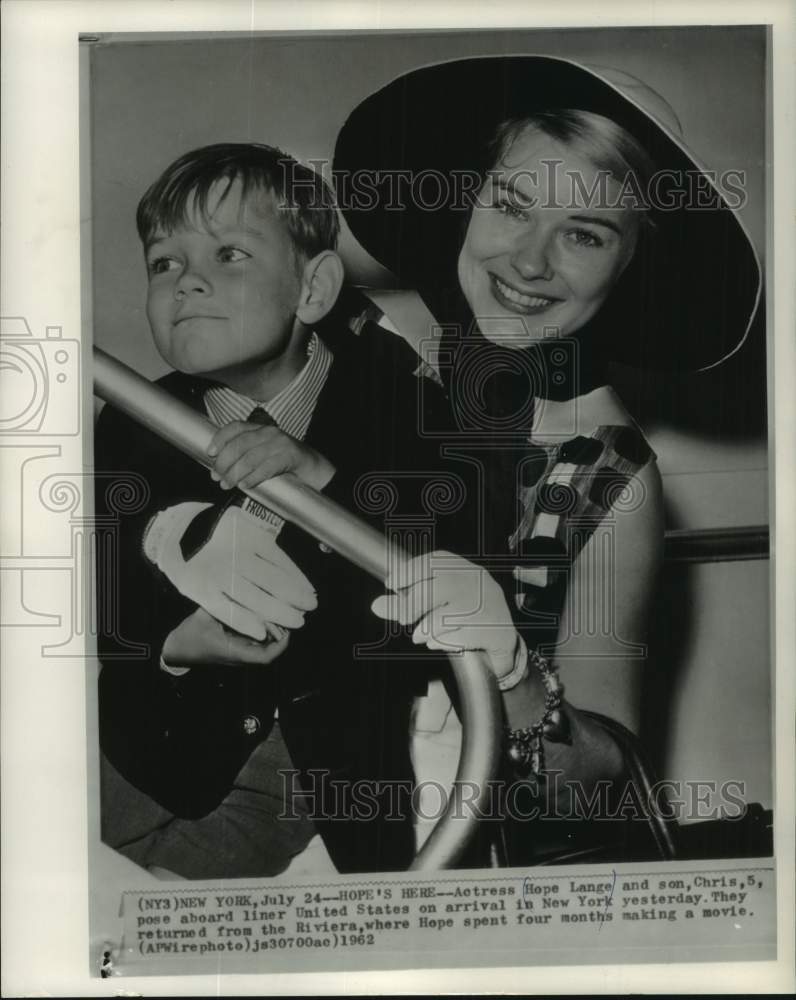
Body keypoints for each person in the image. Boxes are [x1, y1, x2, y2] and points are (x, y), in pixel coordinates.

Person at [332, 56, 762, 864]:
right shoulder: (366, 364)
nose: (531, 262)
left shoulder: (607, 477)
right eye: (512, 206)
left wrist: (511, 670)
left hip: (470, 872)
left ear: (634, 264)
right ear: (467, 198)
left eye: (586, 234)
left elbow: (594, 787)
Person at [95, 142, 463, 878]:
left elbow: (448, 539)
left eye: (228, 254)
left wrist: (322, 476)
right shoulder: (132, 421)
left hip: (311, 762)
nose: (186, 284)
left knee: (187, 914)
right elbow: (105, 593)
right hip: (145, 741)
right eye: (164, 263)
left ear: (314, 289)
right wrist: (173, 646)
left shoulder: (403, 405)